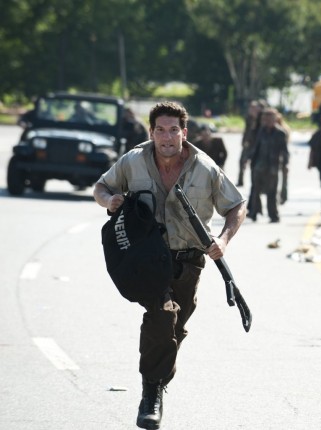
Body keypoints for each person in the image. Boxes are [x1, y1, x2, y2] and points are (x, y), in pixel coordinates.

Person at [92, 101, 246, 429]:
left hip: (189, 261)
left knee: (175, 328)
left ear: (184, 133)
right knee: (161, 317)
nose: (166, 137)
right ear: (151, 132)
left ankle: (158, 377)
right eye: (160, 130)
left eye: (173, 130)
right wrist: (110, 201)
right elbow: (101, 186)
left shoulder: (205, 168)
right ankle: (151, 395)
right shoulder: (133, 161)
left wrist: (223, 240)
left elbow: (236, 205)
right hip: (147, 258)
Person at [247, 108, 289, 222]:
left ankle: (273, 215)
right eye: (266, 119)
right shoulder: (261, 131)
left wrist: (286, 164)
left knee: (272, 192)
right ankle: (254, 212)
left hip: (272, 167)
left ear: (275, 119)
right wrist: (250, 160)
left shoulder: (280, 133)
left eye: (270, 119)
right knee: (255, 190)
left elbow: (285, 151)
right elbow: (256, 147)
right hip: (259, 166)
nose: (268, 121)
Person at [237, 101, 261, 186]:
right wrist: (244, 141)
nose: (252, 110)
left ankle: (256, 183)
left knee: (255, 165)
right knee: (242, 162)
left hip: (257, 145)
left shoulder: (261, 119)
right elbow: (246, 131)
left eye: (254, 108)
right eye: (251, 108)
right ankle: (240, 181)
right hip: (248, 144)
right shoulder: (248, 118)